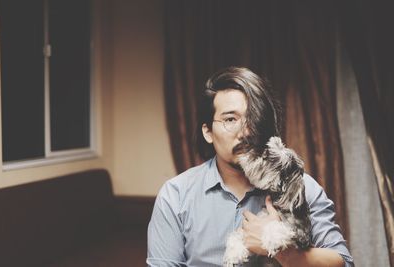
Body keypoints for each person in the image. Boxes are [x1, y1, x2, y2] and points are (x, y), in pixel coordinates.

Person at [147, 67, 354, 267]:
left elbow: (343, 263)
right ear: (208, 132)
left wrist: (282, 251)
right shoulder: (176, 196)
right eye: (230, 119)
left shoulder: (299, 187)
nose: (245, 132)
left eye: (253, 119)